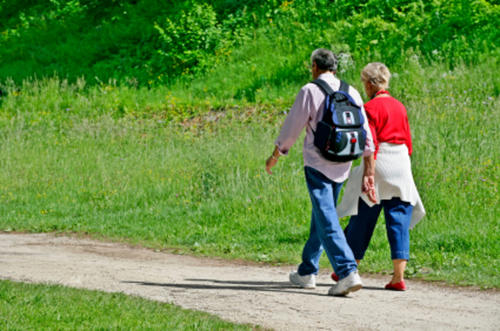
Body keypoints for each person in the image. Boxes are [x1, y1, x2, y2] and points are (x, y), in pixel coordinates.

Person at [265, 48, 376, 296]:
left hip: (317, 164)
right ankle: (307, 271)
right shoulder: (352, 91)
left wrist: (275, 156)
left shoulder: (310, 90)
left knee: (326, 217)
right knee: (322, 214)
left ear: (314, 66)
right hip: (344, 162)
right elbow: (366, 133)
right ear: (335, 68)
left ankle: (347, 272)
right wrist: (368, 168)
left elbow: (291, 130)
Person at [336, 62, 426, 291]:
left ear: (368, 83)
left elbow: (370, 144)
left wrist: (368, 173)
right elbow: (409, 142)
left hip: (381, 161)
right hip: (401, 162)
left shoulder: (370, 108)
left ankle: (348, 269)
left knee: (363, 215)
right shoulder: (400, 107)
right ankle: (398, 277)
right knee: (399, 220)